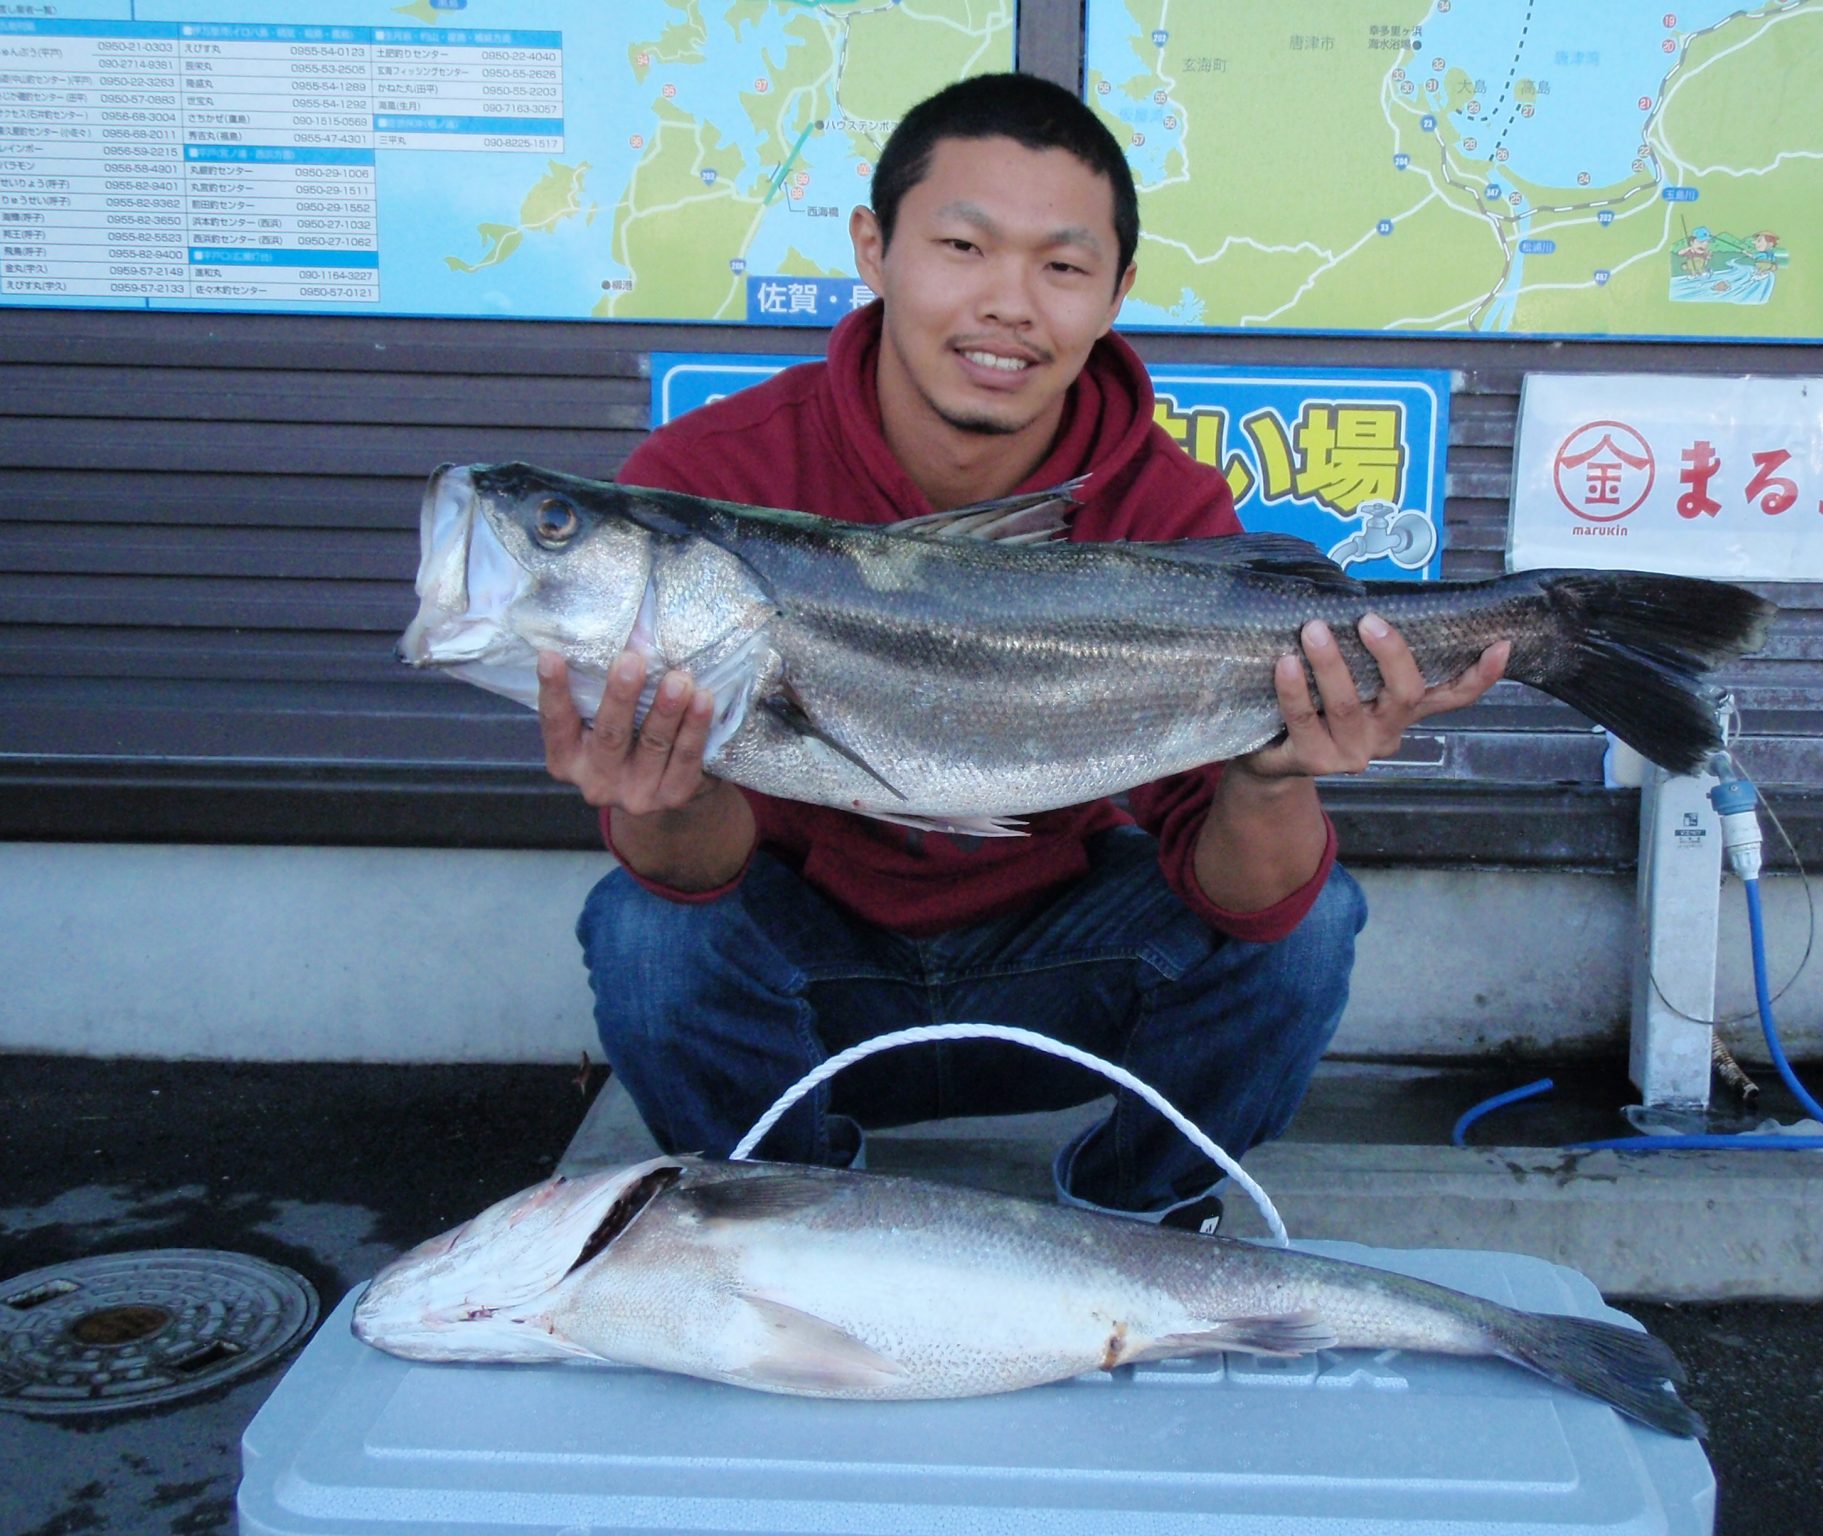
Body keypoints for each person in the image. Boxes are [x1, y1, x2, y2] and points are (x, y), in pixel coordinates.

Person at [542, 73, 1507, 1230]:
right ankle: (783, 1222)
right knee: (644, 928)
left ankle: (1137, 1217)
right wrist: (663, 796)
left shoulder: (1168, 509)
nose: (1008, 304)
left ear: (1115, 294)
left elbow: (1241, 902)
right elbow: (689, 880)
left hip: (1063, 965)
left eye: (1060, 266)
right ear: (873, 248)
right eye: (961, 245)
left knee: (1313, 923)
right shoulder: (701, 489)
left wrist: (1276, 766)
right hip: (807, 975)